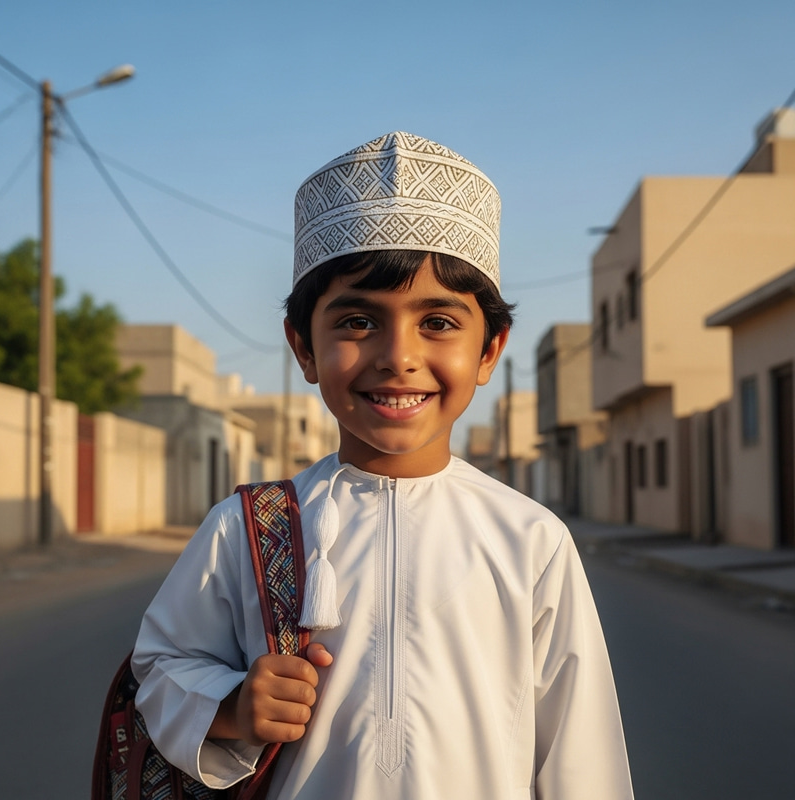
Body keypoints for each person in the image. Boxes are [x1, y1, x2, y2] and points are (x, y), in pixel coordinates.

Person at [132, 131, 634, 799]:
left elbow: (582, 754)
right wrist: (230, 707)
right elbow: (163, 665)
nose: (398, 356)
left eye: (438, 322)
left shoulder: (531, 539)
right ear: (302, 348)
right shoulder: (247, 527)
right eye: (359, 321)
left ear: (490, 350)